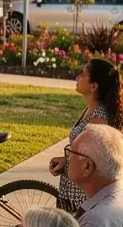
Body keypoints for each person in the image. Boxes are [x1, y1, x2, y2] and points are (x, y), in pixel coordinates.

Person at [49, 58, 123, 214]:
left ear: (94, 86)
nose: (77, 78)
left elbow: (92, 162)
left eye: (83, 74)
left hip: (82, 196)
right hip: (72, 189)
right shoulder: (90, 110)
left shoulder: (99, 119)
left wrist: (68, 161)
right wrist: (66, 161)